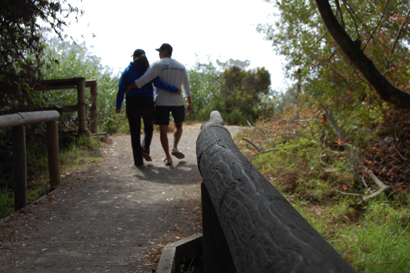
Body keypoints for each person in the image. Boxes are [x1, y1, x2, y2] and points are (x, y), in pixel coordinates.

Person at [126, 43, 192, 166]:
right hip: (178, 101)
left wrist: (131, 85)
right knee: (179, 125)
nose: (159, 54)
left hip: (162, 102)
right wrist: (189, 103)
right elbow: (186, 86)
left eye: (160, 51)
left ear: (165, 51)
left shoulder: (157, 65)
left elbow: (145, 79)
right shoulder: (181, 67)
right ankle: (175, 147)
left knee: (163, 130)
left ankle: (168, 158)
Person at [116, 49, 180, 167]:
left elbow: (121, 89)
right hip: (147, 102)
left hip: (132, 103)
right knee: (148, 128)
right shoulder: (149, 71)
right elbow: (159, 83)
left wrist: (118, 106)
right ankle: (145, 148)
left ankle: (138, 161)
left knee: (135, 132)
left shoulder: (127, 71)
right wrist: (174, 89)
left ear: (133, 57)